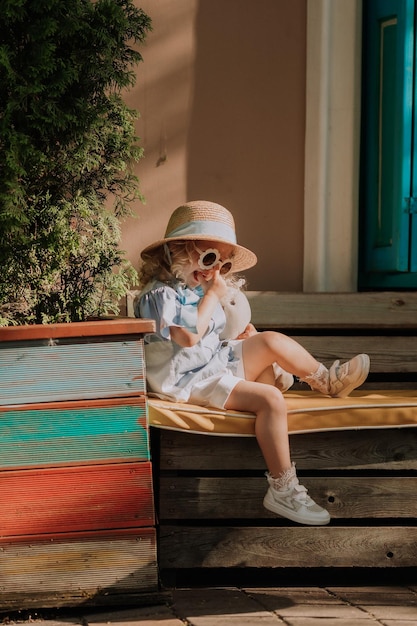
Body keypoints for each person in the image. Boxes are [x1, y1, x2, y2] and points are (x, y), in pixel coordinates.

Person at [135, 200, 370, 526]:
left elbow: (208, 338)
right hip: (187, 383)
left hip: (210, 365)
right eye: (208, 258)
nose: (214, 273)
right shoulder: (159, 296)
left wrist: (245, 340)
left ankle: (325, 380)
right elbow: (187, 338)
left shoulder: (196, 290)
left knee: (269, 340)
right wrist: (213, 296)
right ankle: (283, 488)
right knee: (271, 399)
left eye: (224, 266)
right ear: (176, 250)